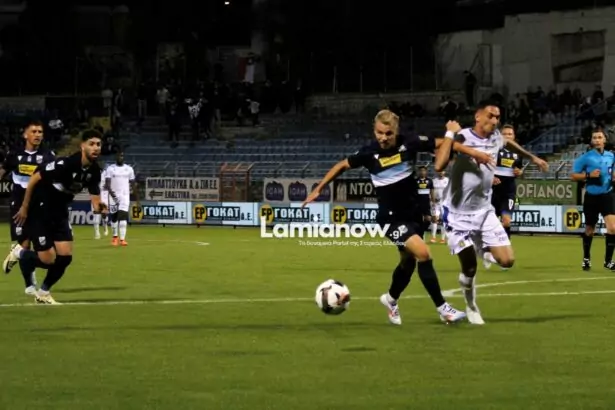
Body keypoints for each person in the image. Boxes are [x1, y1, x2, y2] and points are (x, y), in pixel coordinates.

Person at [303, 109, 494, 326]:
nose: (383, 138)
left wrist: (474, 153)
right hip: (390, 218)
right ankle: (443, 309)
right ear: (374, 131)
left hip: (413, 214)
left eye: (388, 133)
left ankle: (391, 299)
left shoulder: (410, 142)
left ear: (396, 131)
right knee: (423, 253)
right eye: (379, 133)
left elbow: (445, 144)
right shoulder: (368, 153)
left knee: (407, 262)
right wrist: (319, 189)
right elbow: (342, 165)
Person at [434, 100, 549, 325]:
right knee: (469, 268)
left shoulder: (496, 137)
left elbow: (509, 143)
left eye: (497, 117)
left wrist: (532, 158)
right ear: (478, 116)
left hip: (484, 211)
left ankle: (482, 249)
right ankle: (471, 306)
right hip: (457, 213)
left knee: (507, 261)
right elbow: (439, 165)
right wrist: (454, 138)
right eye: (490, 116)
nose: (495, 120)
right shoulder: (462, 136)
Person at [5, 129, 105, 305]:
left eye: (98, 144)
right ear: (82, 146)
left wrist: (100, 208)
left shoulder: (95, 170)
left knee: (65, 257)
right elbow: (35, 178)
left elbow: (95, 199)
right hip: (41, 210)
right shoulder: (65, 164)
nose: (96, 148)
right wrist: (25, 207)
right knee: (48, 260)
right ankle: (20, 252)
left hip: (60, 212)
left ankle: (43, 293)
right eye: (91, 144)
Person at [1, 120, 55, 295]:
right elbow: (2, 171)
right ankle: (29, 285)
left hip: (39, 204)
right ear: (25, 134)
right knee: (24, 243)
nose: (38, 135)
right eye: (34, 131)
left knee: (40, 250)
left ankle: (17, 254)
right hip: (18, 204)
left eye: (40, 132)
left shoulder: (48, 155)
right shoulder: (14, 154)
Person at [570, 127, 615, 271]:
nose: (597, 140)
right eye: (594, 138)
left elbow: (612, 172)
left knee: (613, 228)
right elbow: (573, 176)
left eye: (599, 137)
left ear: (605, 140)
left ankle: (608, 261)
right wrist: (588, 175)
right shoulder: (586, 157)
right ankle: (586, 258)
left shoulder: (611, 156)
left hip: (607, 195)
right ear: (591, 140)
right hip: (591, 196)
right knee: (590, 229)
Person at [492, 124, 523, 240]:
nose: (507, 136)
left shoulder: (518, 152)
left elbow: (519, 169)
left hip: (508, 192)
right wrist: (491, 177)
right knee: (491, 222)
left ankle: (505, 244)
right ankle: (491, 244)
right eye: (504, 134)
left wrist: (519, 172)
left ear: (514, 136)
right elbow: (484, 166)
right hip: (492, 191)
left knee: (506, 221)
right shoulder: (494, 149)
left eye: (510, 134)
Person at [105, 150, 137, 246]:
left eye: (122, 156)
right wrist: (112, 194)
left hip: (125, 196)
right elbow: (107, 184)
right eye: (119, 156)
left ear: (124, 157)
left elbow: (133, 183)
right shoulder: (110, 169)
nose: (120, 157)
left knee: (123, 216)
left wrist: (135, 195)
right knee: (114, 217)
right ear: (116, 157)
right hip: (113, 196)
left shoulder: (129, 169)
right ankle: (115, 237)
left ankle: (122, 239)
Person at [431, 170, 449, 244]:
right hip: (436, 203)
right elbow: (431, 191)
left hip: (445, 203)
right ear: (437, 172)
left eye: (443, 171)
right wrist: (433, 199)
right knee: (434, 219)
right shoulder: (434, 181)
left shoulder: (448, 180)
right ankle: (433, 237)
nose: (441, 172)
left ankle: (443, 239)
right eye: (440, 171)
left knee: (443, 220)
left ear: (445, 172)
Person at [415, 166, 434, 239]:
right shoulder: (415, 181)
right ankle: (419, 235)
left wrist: (433, 202)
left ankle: (421, 232)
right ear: (418, 172)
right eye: (421, 171)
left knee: (428, 220)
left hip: (426, 204)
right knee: (418, 220)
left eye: (423, 170)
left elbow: (432, 192)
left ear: (426, 172)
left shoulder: (429, 181)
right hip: (417, 204)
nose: (422, 172)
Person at [94, 164, 109, 239]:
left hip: (104, 196)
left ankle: (105, 226)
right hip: (96, 196)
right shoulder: (94, 174)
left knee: (104, 214)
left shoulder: (107, 175)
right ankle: (97, 233)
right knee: (96, 214)